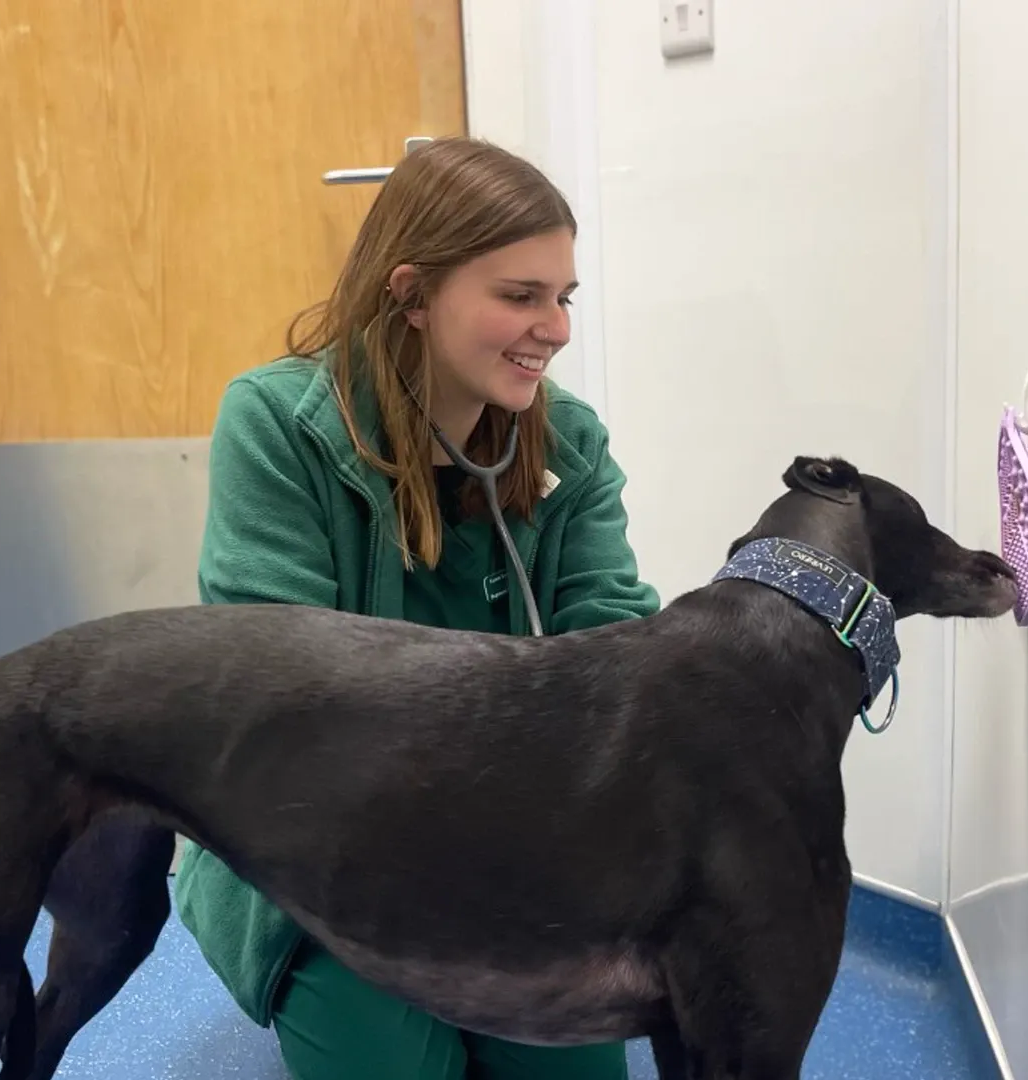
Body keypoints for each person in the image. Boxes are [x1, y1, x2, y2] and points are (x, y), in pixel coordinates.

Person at [171, 137, 661, 1079]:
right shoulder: (277, 427)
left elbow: (619, 654)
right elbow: (275, 695)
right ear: (410, 293)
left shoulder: (570, 443)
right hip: (323, 861)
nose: (554, 328)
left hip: (520, 851)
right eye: (519, 296)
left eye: (563, 297)